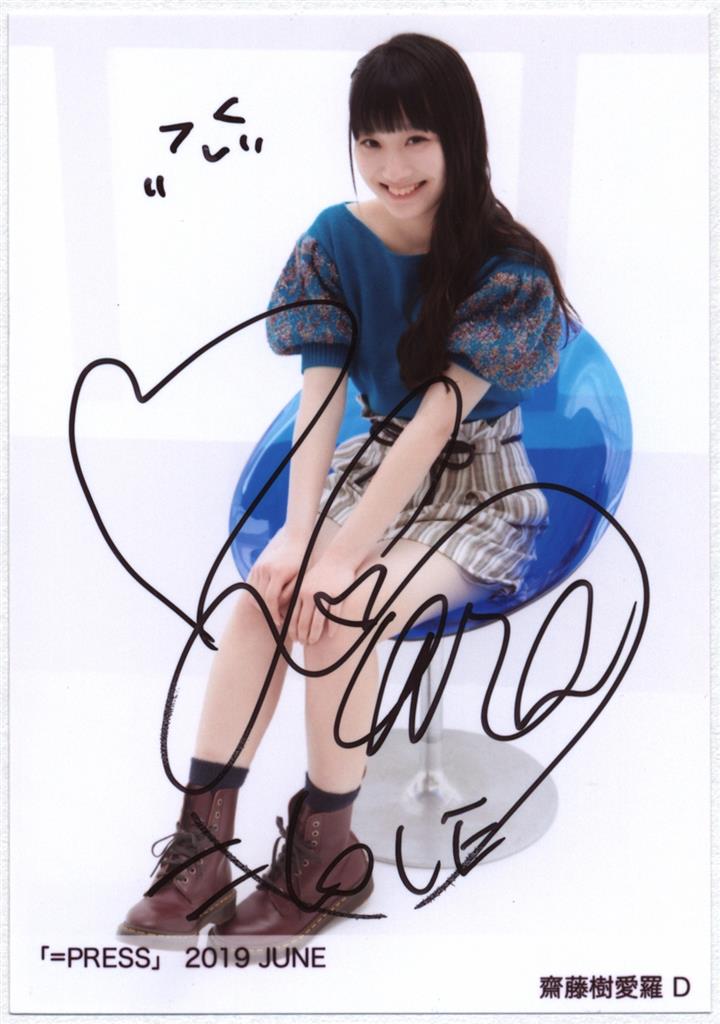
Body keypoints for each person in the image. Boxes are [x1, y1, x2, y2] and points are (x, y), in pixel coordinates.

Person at [119, 32, 579, 951]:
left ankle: (330, 858)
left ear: (459, 137)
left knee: (343, 606)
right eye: (372, 142)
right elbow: (322, 398)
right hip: (373, 464)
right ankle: (202, 850)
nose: (391, 168)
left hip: (477, 485)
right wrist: (300, 537)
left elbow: (440, 423)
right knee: (264, 595)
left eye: (415, 140)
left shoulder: (508, 266)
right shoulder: (333, 241)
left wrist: (344, 554)